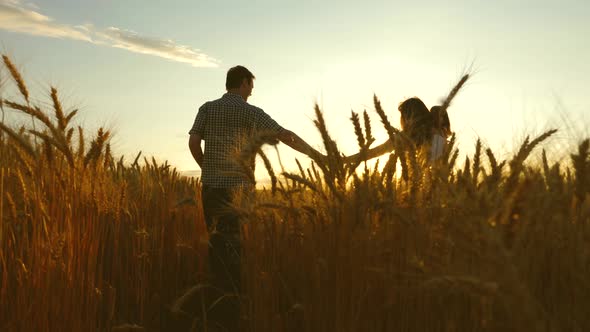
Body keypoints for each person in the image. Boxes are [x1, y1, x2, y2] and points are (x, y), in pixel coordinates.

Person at [188, 65, 323, 330]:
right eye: (251, 85)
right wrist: (318, 155)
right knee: (236, 243)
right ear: (243, 83)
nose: (252, 91)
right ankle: (235, 303)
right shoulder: (252, 113)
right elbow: (286, 136)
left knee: (216, 241)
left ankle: (217, 301)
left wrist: (207, 167)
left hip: (212, 187)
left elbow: (193, 143)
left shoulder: (206, 108)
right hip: (239, 190)